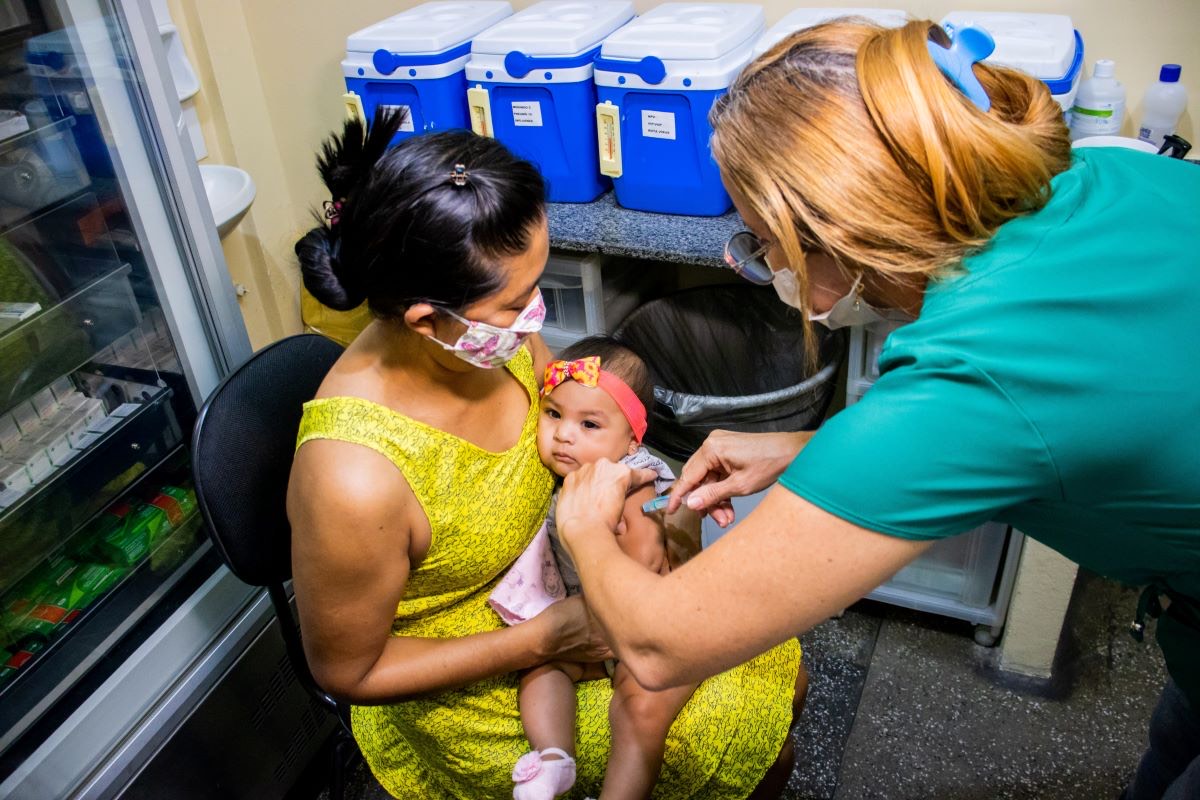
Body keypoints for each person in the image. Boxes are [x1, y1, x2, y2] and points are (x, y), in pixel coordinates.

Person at [552, 19, 1200, 800]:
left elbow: (657, 648)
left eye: (765, 244)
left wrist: (583, 528)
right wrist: (814, 445)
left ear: (843, 231)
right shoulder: (1103, 170)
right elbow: (1074, 409)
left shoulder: (973, 375)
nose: (769, 268)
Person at [287, 110, 804, 800]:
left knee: (774, 664)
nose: (537, 316)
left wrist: (652, 510)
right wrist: (543, 641)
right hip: (474, 674)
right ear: (425, 318)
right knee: (733, 728)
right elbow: (348, 673)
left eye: (536, 284)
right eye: (516, 302)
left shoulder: (489, 341)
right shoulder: (353, 475)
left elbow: (580, 430)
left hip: (562, 585)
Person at [489, 336, 746, 799]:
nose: (565, 434)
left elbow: (646, 561)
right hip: (594, 627)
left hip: (651, 625)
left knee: (637, 709)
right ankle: (552, 758)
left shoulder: (632, 482)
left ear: (631, 440)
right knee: (542, 669)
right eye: (553, 415)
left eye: (589, 424)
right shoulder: (562, 477)